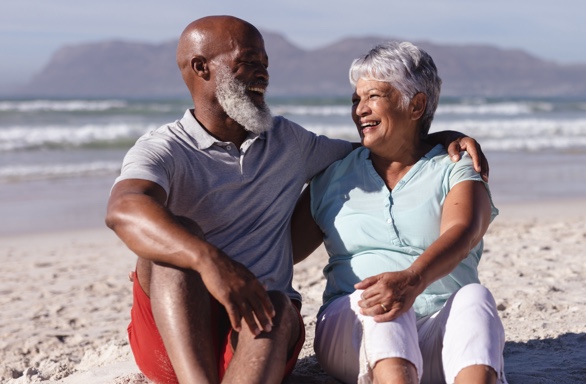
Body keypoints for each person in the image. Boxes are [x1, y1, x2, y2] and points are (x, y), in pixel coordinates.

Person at [106, 16, 487, 384]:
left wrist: (439, 137)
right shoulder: (164, 149)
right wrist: (210, 262)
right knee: (175, 245)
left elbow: (383, 147)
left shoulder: (289, 142)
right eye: (248, 63)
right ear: (201, 67)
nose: (263, 74)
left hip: (260, 331)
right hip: (177, 335)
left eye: (265, 64)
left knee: (278, 305)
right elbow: (124, 208)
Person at [291, 41, 506, 384]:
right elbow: (281, 251)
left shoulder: (452, 166)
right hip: (354, 331)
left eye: (373, 96)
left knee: (475, 297)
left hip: (440, 333)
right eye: (355, 100)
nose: (359, 109)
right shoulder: (333, 176)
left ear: (416, 105)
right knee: (379, 300)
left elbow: (464, 232)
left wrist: (412, 280)